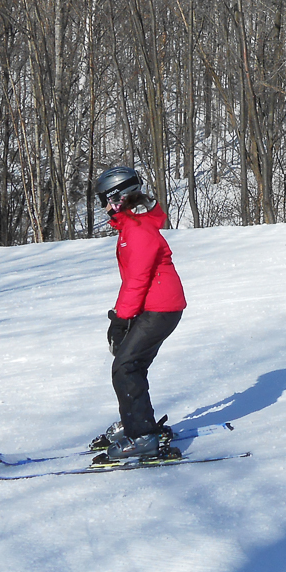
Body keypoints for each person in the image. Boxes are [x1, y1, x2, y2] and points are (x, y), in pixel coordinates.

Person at [90, 166, 186, 461]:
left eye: (107, 200)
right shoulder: (134, 226)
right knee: (131, 365)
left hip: (159, 308)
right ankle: (137, 423)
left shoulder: (138, 229)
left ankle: (143, 436)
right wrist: (122, 317)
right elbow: (134, 279)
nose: (106, 208)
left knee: (125, 367)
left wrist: (120, 320)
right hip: (157, 307)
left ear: (120, 197)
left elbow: (138, 279)